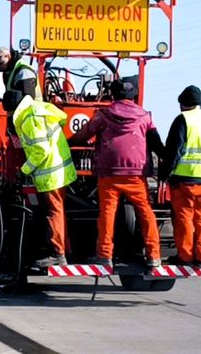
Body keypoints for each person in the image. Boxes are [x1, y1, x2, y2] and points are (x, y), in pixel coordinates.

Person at [69, 80, 164, 267]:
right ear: (133, 96)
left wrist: (68, 143)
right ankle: (154, 256)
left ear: (113, 95)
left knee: (107, 214)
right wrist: (167, 160)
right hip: (136, 173)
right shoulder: (145, 116)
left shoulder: (104, 114)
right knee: (145, 212)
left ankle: (104, 256)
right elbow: (155, 142)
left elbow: (83, 135)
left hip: (109, 172)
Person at [11, 94, 76, 267]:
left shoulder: (29, 119)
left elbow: (41, 149)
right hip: (60, 167)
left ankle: (58, 254)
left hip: (50, 173)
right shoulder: (41, 110)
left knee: (53, 212)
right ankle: (65, 249)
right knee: (59, 210)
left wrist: (24, 170)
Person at [159, 85, 201, 270]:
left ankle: (185, 256)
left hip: (184, 180)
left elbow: (173, 151)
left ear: (182, 104)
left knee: (183, 218)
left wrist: (164, 175)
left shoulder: (183, 120)